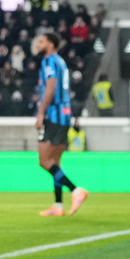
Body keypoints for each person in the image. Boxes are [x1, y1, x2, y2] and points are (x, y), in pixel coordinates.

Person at [34, 32, 88, 217]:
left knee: (44, 161)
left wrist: (41, 113)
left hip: (54, 115)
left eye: (41, 41)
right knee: (55, 162)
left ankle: (75, 190)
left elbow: (51, 87)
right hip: (65, 114)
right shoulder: (61, 61)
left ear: (50, 44)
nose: (38, 44)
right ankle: (58, 205)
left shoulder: (48, 61)